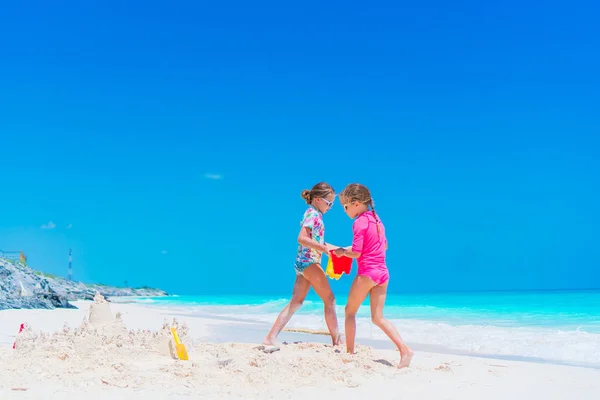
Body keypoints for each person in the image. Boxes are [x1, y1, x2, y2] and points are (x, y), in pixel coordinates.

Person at [334, 183, 413, 368]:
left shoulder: (359, 222)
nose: (345, 211)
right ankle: (404, 350)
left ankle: (350, 353)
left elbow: (357, 253)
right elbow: (383, 246)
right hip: (383, 274)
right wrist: (347, 249)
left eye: (345, 207)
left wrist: (342, 253)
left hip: (367, 273)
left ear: (355, 203)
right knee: (378, 318)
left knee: (349, 312)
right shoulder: (378, 220)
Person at [264, 182, 343, 346]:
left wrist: (339, 250)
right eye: (329, 203)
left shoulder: (315, 215)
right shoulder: (312, 214)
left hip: (303, 263)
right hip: (309, 262)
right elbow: (301, 238)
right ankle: (337, 341)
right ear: (318, 199)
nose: (330, 207)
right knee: (330, 299)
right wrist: (322, 248)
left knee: (296, 302)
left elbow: (319, 241)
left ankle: (270, 337)